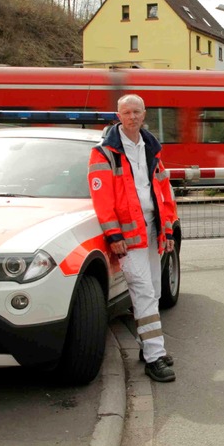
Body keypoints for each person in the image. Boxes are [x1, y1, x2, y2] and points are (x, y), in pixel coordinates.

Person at [88, 94, 179, 383]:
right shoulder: (104, 153)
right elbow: (101, 199)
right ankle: (154, 356)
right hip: (128, 237)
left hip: (152, 230)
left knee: (153, 289)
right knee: (143, 291)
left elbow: (164, 192)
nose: (132, 117)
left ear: (144, 114)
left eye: (137, 111)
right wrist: (114, 234)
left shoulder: (151, 148)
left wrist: (168, 229)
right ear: (118, 115)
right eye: (126, 112)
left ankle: (148, 346)